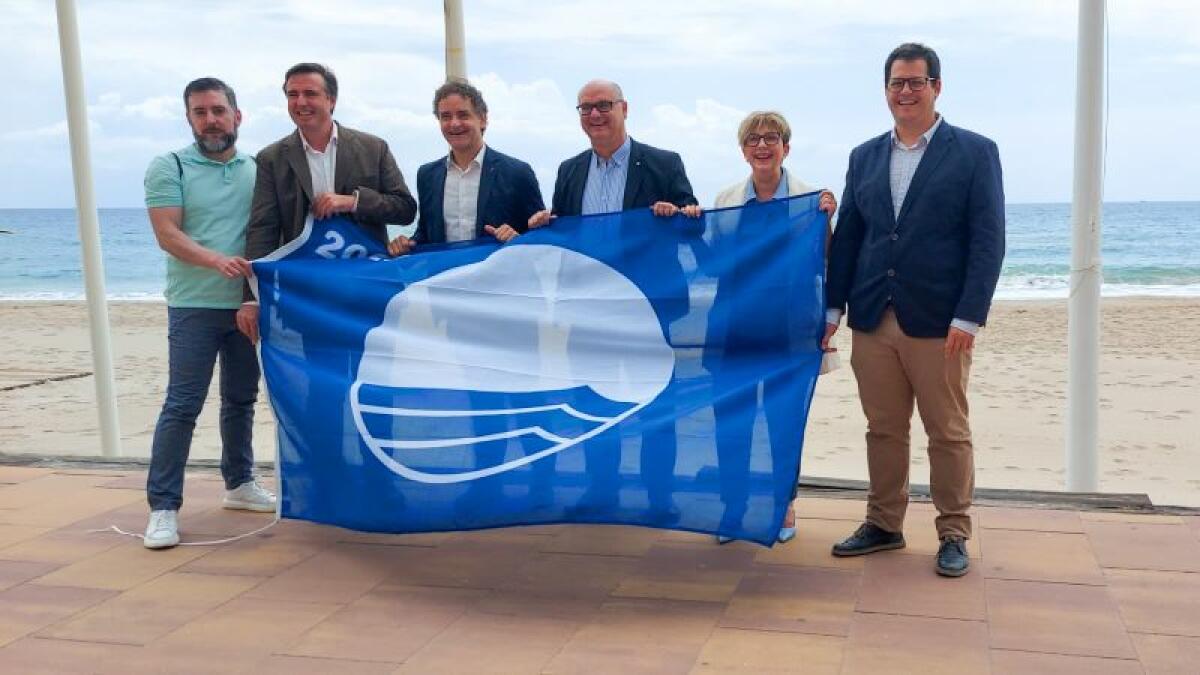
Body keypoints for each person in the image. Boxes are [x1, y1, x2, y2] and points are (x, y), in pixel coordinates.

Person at [824, 43, 1005, 576]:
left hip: (940, 322)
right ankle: (884, 524)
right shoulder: (864, 156)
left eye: (916, 82)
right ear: (886, 91)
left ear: (936, 88)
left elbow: (987, 239)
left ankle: (953, 532)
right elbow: (852, 236)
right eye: (897, 83)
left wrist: (969, 315)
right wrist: (833, 308)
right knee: (883, 428)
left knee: (947, 430)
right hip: (874, 318)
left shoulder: (974, 152)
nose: (906, 92)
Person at [527, 79, 699, 520]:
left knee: (657, 405)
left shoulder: (663, 162)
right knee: (592, 404)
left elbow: (694, 226)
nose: (595, 115)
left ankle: (659, 499)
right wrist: (544, 224)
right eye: (585, 108)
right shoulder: (569, 170)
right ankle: (601, 494)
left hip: (648, 308)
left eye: (603, 106)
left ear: (625, 108)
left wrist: (675, 214)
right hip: (588, 311)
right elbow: (564, 236)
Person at [142, 77, 275, 550]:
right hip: (192, 305)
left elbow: (273, 230)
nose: (211, 120)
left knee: (240, 400)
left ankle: (239, 484)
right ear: (189, 119)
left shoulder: (258, 168)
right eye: (200, 112)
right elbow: (167, 235)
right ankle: (162, 508)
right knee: (182, 405)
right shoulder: (169, 166)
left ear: (237, 116)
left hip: (245, 305)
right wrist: (216, 260)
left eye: (218, 110)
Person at [710, 111, 837, 544]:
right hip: (734, 330)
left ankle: (784, 506)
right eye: (753, 139)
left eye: (772, 138)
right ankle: (734, 509)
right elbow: (711, 259)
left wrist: (828, 218)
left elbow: (825, 260)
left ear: (786, 146)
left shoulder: (810, 199)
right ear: (743, 149)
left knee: (783, 423)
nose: (762, 145)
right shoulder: (725, 199)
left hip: (789, 331)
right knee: (732, 423)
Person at [236, 62, 417, 340]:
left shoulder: (373, 147)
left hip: (365, 285)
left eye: (310, 93)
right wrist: (252, 298)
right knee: (316, 376)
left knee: (366, 370)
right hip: (306, 293)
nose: (300, 102)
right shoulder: (271, 158)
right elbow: (263, 229)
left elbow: (405, 209)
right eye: (292, 95)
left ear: (331, 100)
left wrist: (352, 202)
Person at [397, 79, 544, 251]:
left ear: (482, 119)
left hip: (497, 276)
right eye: (446, 117)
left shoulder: (517, 173)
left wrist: (516, 238)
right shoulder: (427, 175)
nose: (454, 123)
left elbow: (540, 233)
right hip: (445, 276)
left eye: (463, 115)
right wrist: (406, 244)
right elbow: (426, 235)